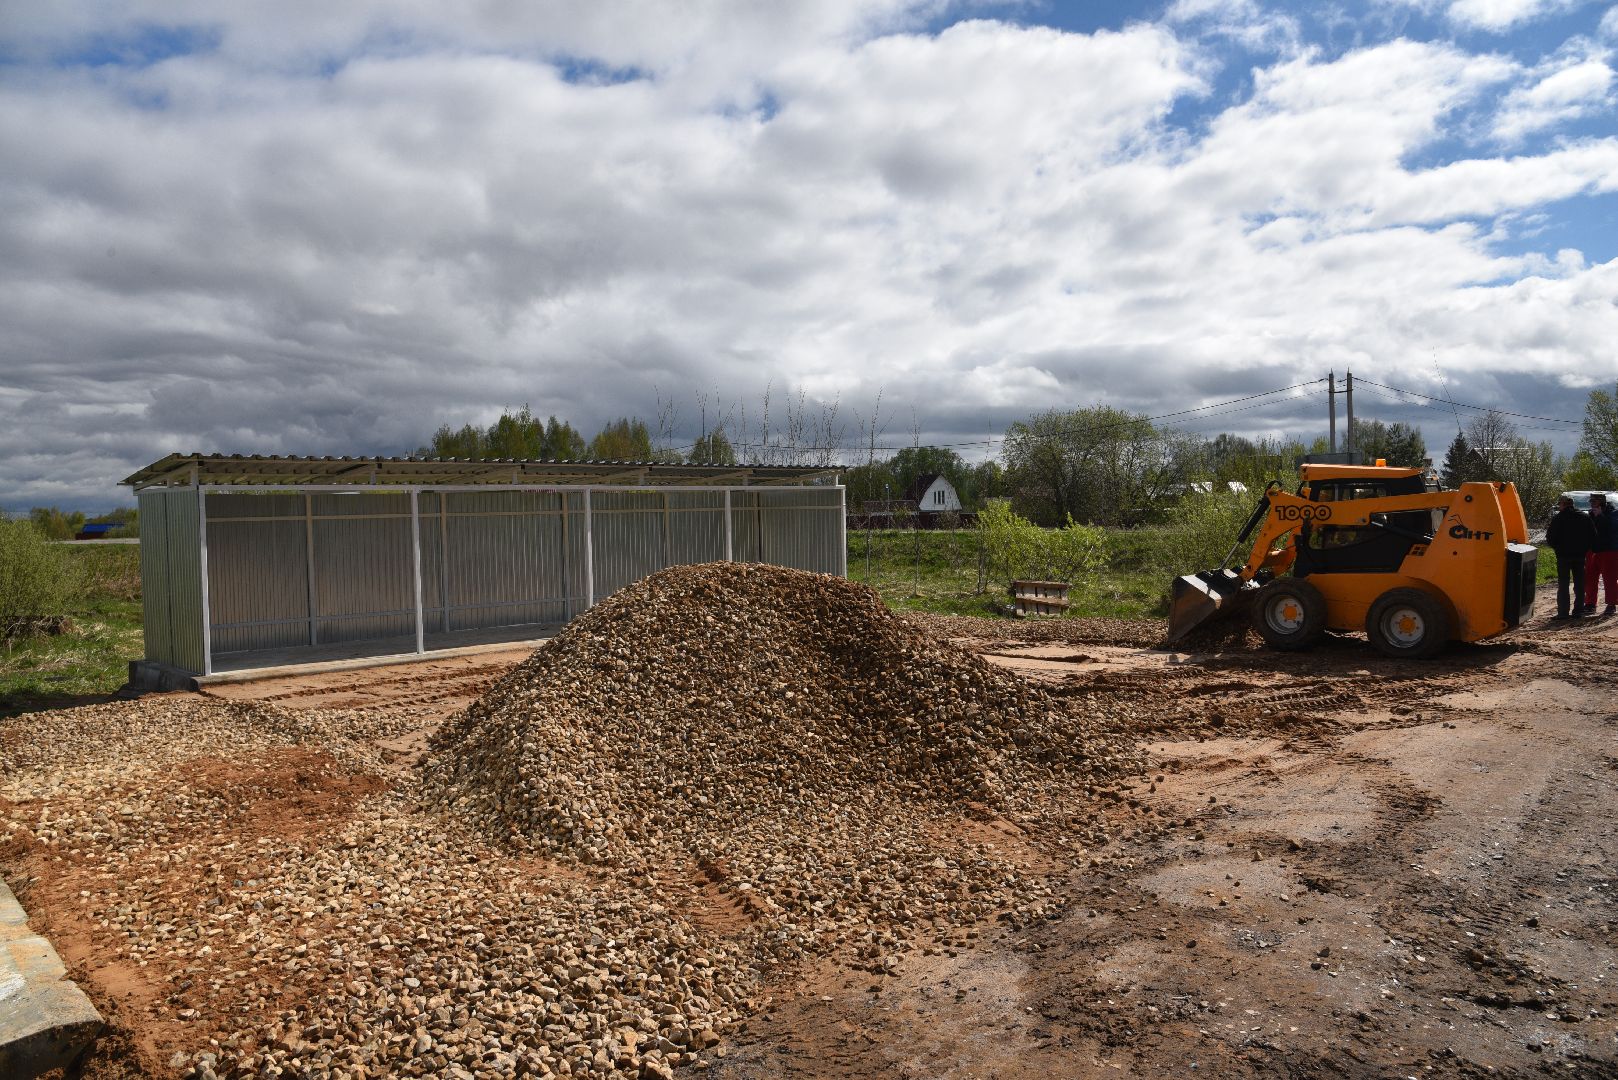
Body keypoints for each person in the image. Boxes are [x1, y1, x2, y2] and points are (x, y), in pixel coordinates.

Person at [1547, 496, 1594, 619]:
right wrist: (1585, 548)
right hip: (1580, 555)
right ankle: (1578, 611)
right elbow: (1593, 535)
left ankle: (1563, 613)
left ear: (1563, 504)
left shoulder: (1558, 518)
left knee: (1563, 584)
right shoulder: (1584, 517)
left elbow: (1550, 537)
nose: (1559, 506)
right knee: (1579, 584)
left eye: (1560, 504)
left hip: (1563, 556)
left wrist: (1557, 548)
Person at [1584, 493, 1618, 616]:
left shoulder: (1613, 513)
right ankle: (1590, 603)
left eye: (1594, 501)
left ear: (1601, 502)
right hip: (1593, 550)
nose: (1591, 503)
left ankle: (1611, 604)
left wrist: (1601, 516)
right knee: (1590, 577)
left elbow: (1612, 529)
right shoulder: (1591, 513)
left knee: (1609, 578)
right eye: (1591, 501)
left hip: (1609, 550)